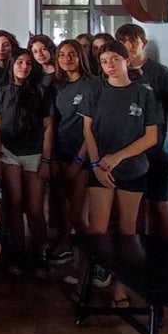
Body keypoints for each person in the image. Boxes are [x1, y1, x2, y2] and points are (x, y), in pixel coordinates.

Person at [82, 40, 159, 309]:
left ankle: (121, 286)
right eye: (104, 61)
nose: (110, 65)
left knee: (127, 231)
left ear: (126, 59)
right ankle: (91, 279)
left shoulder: (143, 93)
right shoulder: (96, 90)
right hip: (100, 169)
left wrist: (118, 157)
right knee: (98, 229)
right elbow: (88, 130)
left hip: (131, 169)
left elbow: (151, 137)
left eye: (115, 59)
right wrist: (95, 164)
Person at [0, 49, 53, 275]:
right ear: (12, 64)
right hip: (8, 153)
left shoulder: (40, 91)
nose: (24, 66)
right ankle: (18, 252)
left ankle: (40, 252)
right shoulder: (0, 91)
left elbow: (48, 127)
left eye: (28, 63)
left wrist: (46, 159)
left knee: (35, 208)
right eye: (19, 62)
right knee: (14, 205)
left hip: (34, 154)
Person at [116, 23, 168, 243]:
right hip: (128, 151)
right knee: (134, 205)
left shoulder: (159, 73)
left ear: (144, 43)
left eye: (134, 40)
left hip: (157, 152)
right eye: (123, 41)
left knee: (159, 204)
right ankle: (139, 253)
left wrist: (164, 140)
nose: (129, 45)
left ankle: (166, 254)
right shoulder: (116, 71)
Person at [48, 40, 98, 272]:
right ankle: (67, 245)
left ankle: (95, 261)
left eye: (72, 55)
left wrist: (79, 161)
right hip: (61, 153)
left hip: (83, 157)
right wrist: (55, 158)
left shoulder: (92, 85)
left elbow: (93, 128)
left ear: (80, 57)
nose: (67, 59)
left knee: (79, 214)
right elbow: (53, 123)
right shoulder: (56, 85)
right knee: (63, 209)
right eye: (62, 55)